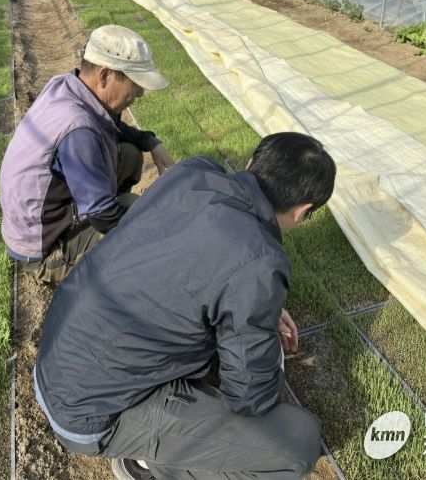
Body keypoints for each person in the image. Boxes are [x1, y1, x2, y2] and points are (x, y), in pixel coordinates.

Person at [34, 132, 337, 479]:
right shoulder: (261, 260)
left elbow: (190, 267)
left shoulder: (193, 172)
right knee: (296, 442)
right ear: (302, 211)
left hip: (60, 362)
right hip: (93, 414)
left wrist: (258, 302)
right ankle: (149, 465)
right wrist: (261, 321)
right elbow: (249, 397)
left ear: (252, 163)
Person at [0, 25, 175, 284]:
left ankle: (103, 205)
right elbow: (105, 218)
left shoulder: (69, 86)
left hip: (47, 217)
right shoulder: (78, 131)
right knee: (141, 219)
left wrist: (152, 142)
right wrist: (154, 228)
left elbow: (115, 127)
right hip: (43, 250)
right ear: (105, 76)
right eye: (136, 83)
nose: (140, 93)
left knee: (129, 154)